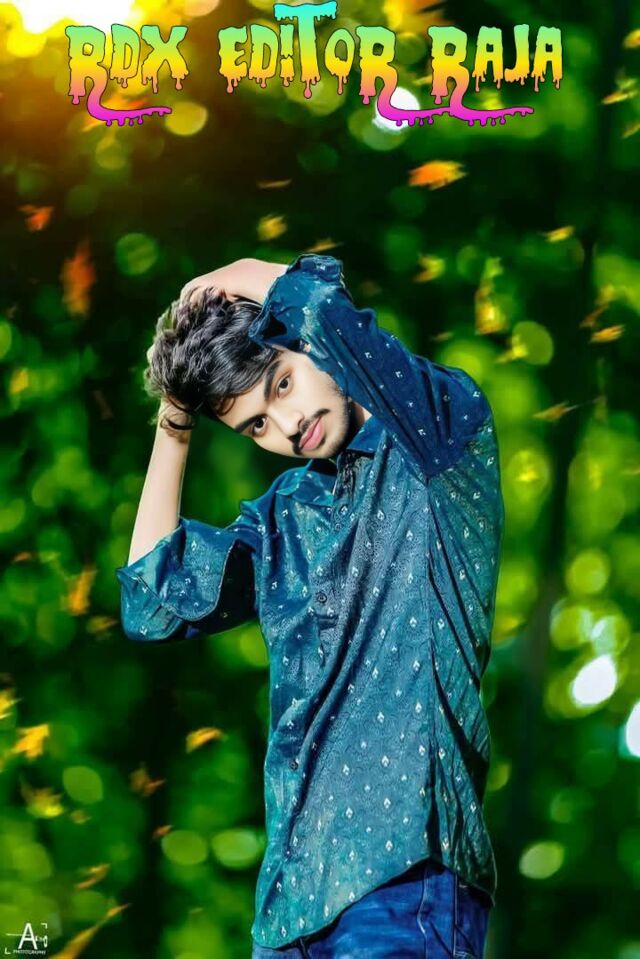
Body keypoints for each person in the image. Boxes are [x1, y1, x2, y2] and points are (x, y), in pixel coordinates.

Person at [115, 253, 504, 958]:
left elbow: (326, 308)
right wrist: (175, 417)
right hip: (290, 910)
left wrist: (247, 272)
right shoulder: (282, 519)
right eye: (256, 426)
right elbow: (152, 600)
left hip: (407, 878)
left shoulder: (438, 438)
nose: (288, 425)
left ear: (308, 343)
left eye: (283, 384)